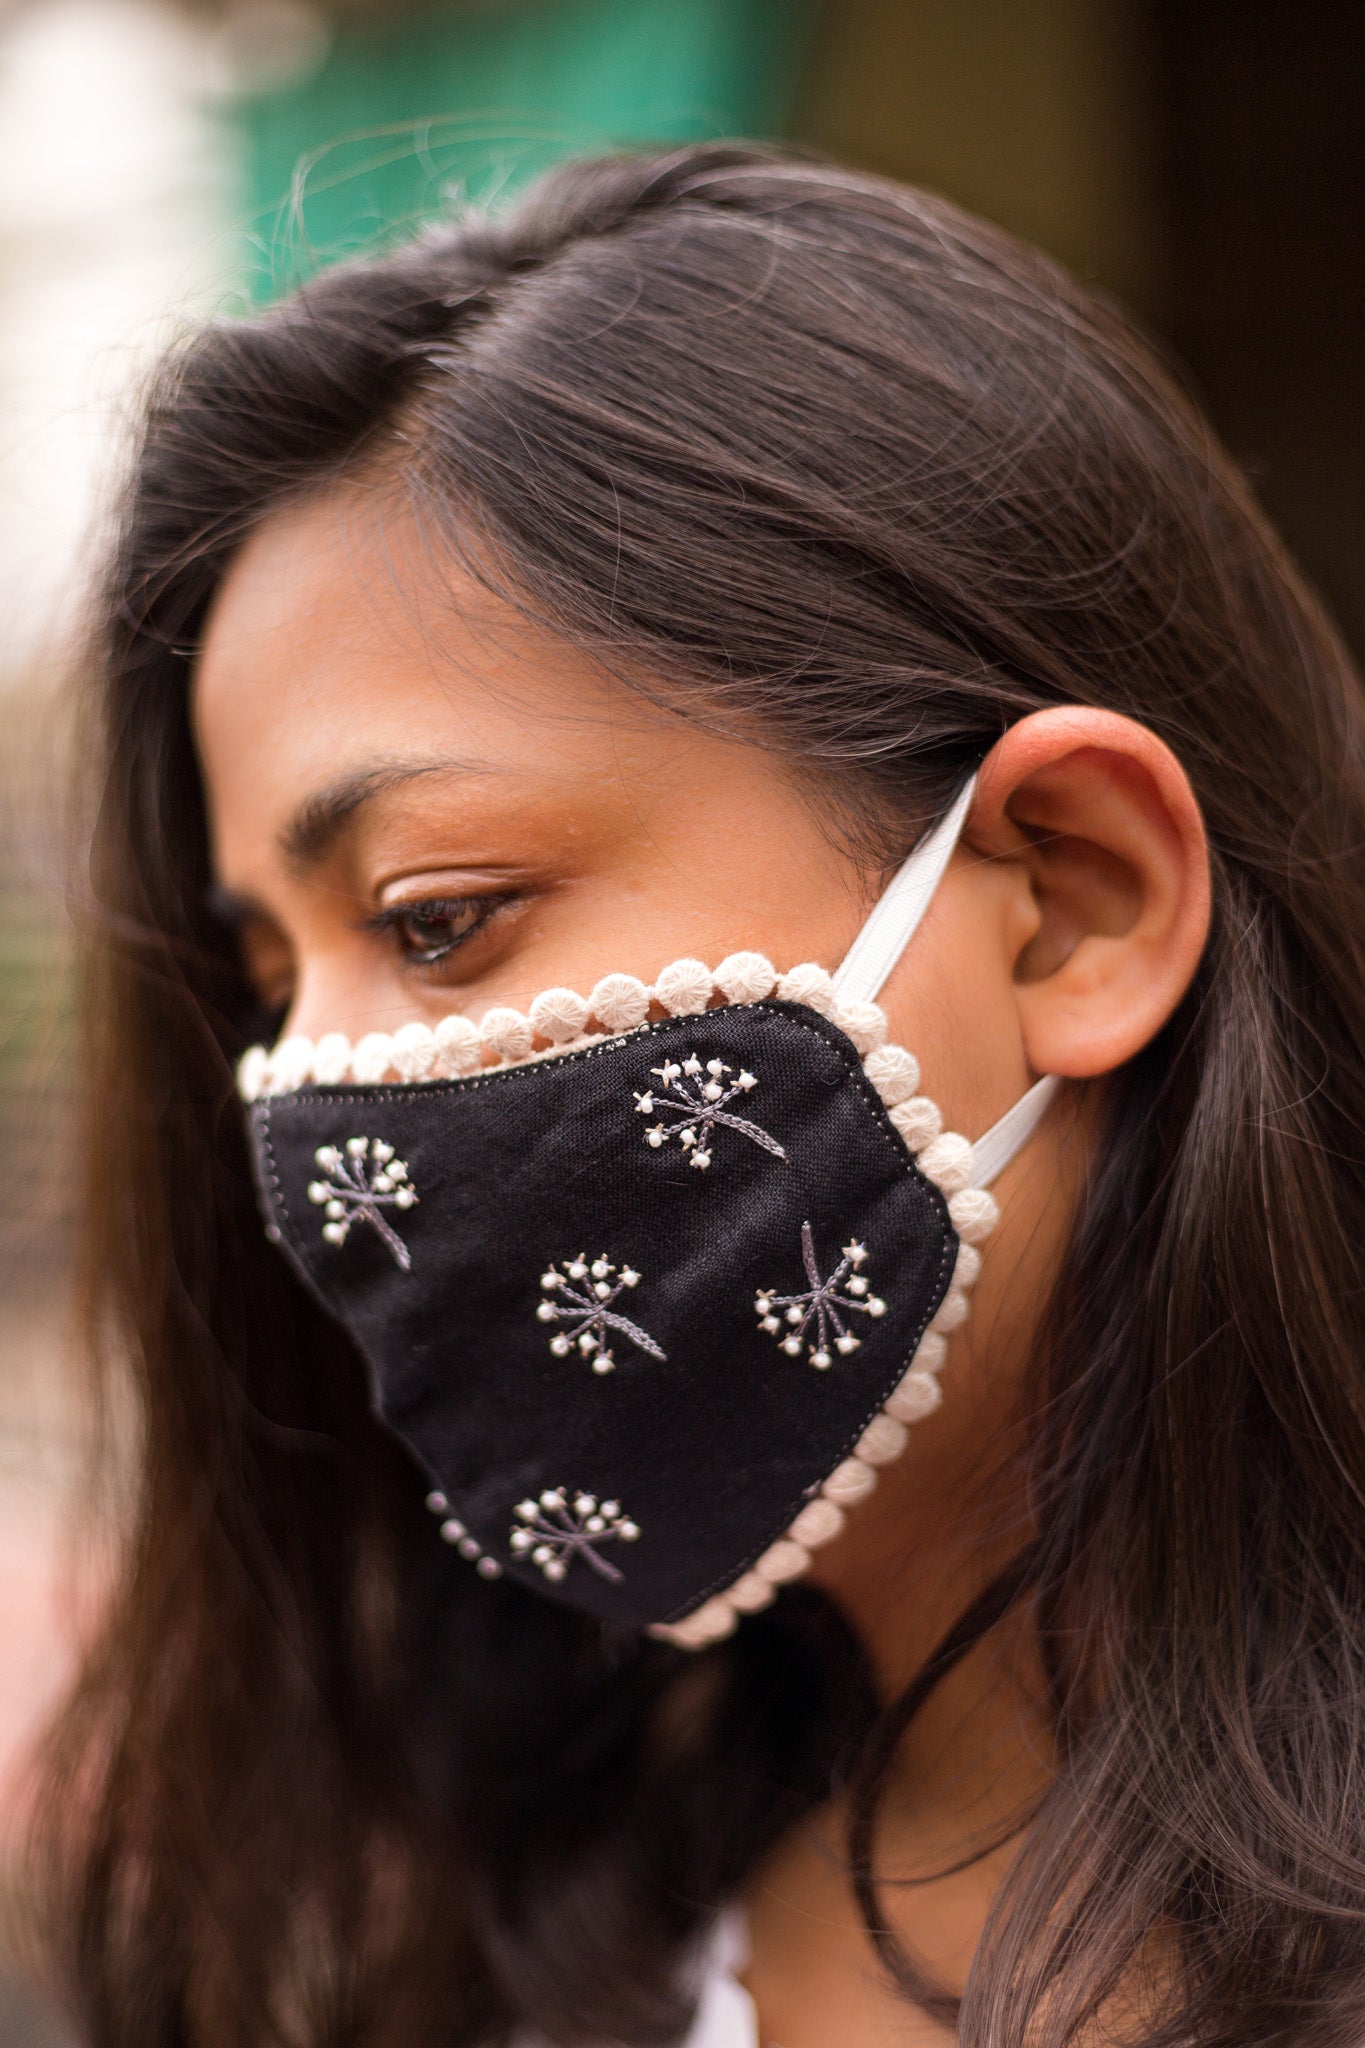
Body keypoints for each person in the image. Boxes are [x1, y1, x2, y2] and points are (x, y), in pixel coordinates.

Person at [31, 143, 1365, 2047]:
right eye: (264, 990)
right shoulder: (517, 1910)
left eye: (436, 918)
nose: (308, 1114)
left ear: (1074, 898)